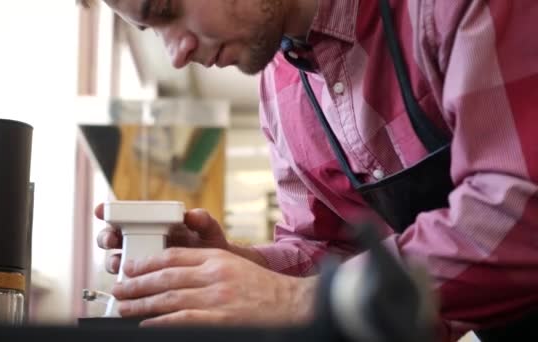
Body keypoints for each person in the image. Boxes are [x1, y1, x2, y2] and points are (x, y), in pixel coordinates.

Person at [95, 0, 538, 340]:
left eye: (167, 8)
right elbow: (328, 246)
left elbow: (520, 212)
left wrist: (296, 297)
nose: (175, 53)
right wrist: (232, 268)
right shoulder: (280, 87)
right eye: (149, 29)